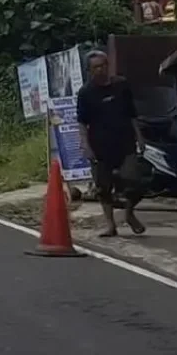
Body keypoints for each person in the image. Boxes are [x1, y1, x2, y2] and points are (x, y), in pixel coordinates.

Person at [76, 50, 147, 238]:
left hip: (125, 142)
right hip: (100, 145)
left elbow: (132, 114)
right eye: (96, 67)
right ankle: (110, 225)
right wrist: (86, 145)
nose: (101, 70)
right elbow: (82, 122)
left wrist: (140, 137)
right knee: (103, 188)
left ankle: (129, 213)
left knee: (135, 182)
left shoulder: (121, 85)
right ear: (89, 71)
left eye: (103, 65)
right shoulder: (85, 93)